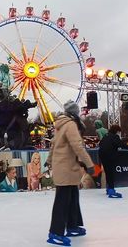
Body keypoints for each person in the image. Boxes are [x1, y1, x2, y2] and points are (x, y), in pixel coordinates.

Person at [46, 100, 95, 246]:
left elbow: (53, 144)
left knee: (73, 196)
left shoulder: (60, 124)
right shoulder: (70, 124)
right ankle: (55, 232)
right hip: (66, 167)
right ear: (74, 112)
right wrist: (89, 164)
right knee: (62, 199)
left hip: (66, 166)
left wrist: (48, 160)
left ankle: (72, 225)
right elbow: (78, 146)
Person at [98, 124, 128, 198]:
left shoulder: (106, 136)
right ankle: (111, 189)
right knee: (110, 172)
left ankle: (108, 188)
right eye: (118, 131)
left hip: (102, 155)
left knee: (107, 172)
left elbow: (101, 144)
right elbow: (121, 144)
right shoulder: (114, 137)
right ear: (116, 131)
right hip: (109, 156)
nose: (119, 133)